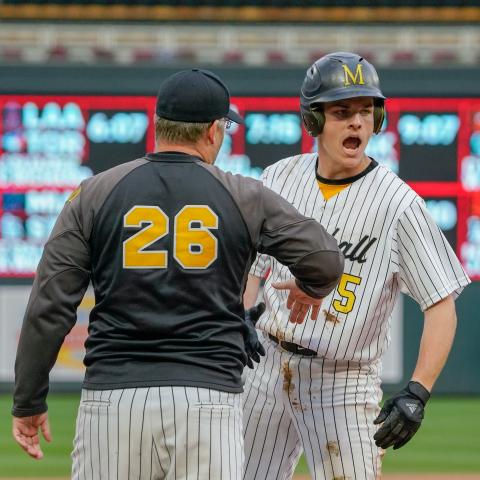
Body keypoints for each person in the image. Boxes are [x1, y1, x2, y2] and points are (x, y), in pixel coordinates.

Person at [11, 68, 344, 480]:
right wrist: (311, 288)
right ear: (212, 131)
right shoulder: (244, 195)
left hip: (114, 401)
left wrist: (28, 400)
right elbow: (326, 260)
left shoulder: (94, 193)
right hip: (207, 400)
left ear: (158, 126)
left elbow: (49, 307)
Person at [242, 52, 471, 480]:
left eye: (366, 111)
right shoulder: (278, 178)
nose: (357, 122)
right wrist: (239, 316)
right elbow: (251, 268)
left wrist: (417, 392)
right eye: (342, 111)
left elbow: (441, 305)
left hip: (342, 380)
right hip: (265, 365)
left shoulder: (398, 204)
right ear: (313, 121)